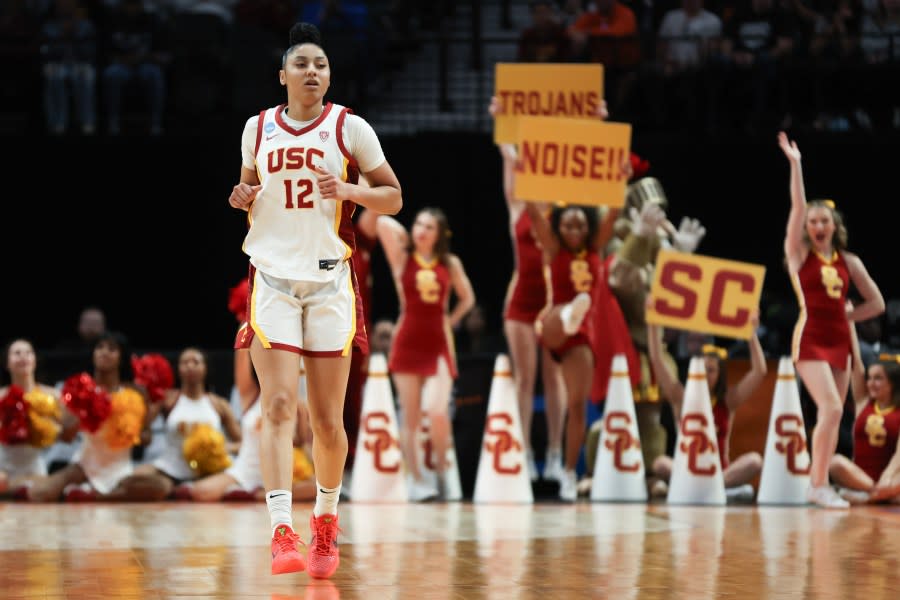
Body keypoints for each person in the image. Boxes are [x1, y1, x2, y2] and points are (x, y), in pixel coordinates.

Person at [227, 21, 402, 578]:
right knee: (277, 407)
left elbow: (394, 197)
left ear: (329, 76)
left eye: (320, 65)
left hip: (330, 282)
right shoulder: (256, 129)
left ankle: (325, 520)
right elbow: (247, 191)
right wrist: (241, 195)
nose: (312, 72)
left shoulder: (351, 128)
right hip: (273, 278)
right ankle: (282, 529)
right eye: (301, 64)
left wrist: (351, 190)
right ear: (283, 75)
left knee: (328, 421)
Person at [778, 131, 885, 508]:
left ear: (833, 225)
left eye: (823, 220)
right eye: (812, 221)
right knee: (833, 408)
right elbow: (795, 208)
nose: (816, 225)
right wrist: (796, 165)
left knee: (832, 414)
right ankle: (817, 484)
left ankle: (819, 482)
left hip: (841, 338)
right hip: (810, 338)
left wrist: (849, 313)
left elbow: (878, 303)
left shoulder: (848, 262)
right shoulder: (798, 256)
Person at [488, 95, 569, 483]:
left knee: (554, 379)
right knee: (525, 378)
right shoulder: (519, 209)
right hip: (521, 303)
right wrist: (501, 121)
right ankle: (522, 455)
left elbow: (593, 166)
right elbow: (508, 154)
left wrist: (599, 124)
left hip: (556, 305)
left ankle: (554, 456)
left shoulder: (567, 214)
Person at [375, 207, 475, 501]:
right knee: (411, 417)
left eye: (429, 227)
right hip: (407, 341)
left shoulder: (450, 262)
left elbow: (468, 298)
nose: (421, 230)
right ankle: (416, 479)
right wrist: (407, 237)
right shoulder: (403, 257)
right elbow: (382, 222)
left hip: (439, 344)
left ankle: (443, 471)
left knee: (438, 410)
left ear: (440, 235)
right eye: (419, 223)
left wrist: (451, 321)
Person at [19, 331, 160, 503]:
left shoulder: (136, 392)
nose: (104, 352)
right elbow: (67, 436)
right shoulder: (79, 389)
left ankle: (95, 495)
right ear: (93, 354)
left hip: (121, 469)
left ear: (121, 357)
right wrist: (85, 413)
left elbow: (148, 437)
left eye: (112, 349)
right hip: (84, 466)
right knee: (39, 495)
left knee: (159, 488)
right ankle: (84, 489)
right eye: (99, 347)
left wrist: (129, 432)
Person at [526, 201, 603, 502]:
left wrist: (621, 177)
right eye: (568, 224)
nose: (574, 230)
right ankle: (570, 314)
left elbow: (613, 213)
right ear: (558, 226)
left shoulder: (596, 249)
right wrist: (526, 172)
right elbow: (533, 212)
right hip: (555, 325)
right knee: (558, 315)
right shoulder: (554, 249)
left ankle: (570, 473)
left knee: (577, 406)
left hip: (582, 335)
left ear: (589, 227)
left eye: (581, 225)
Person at [647, 316, 768, 503]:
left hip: (720, 472)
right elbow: (656, 359)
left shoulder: (728, 400)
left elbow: (760, 371)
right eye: (702, 368)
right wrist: (653, 323)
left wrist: (751, 333)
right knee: (660, 463)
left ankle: (712, 488)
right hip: (687, 471)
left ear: (719, 374)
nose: (705, 374)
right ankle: (714, 490)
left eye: (711, 370)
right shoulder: (680, 397)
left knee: (755, 461)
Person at [128, 347, 242, 498]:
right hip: (170, 468)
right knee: (132, 477)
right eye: (185, 362)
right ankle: (176, 489)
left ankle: (186, 490)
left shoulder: (218, 404)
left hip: (208, 470)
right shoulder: (168, 399)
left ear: (205, 368)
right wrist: (147, 396)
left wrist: (222, 447)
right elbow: (144, 428)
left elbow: (241, 443)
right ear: (178, 369)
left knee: (234, 485)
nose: (190, 366)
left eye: (196, 362)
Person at [829, 324, 900, 504]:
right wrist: (850, 323)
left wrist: (887, 479)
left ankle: (868, 498)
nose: (870, 383)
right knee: (835, 462)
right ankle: (878, 495)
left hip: (891, 477)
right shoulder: (863, 402)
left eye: (878, 378)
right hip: (860, 478)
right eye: (869, 378)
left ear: (892, 383)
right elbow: (855, 361)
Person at [0, 339, 65, 494]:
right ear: (7, 363)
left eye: (28, 353)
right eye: (17, 353)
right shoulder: (0, 395)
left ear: (35, 360)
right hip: (3, 468)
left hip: (36, 468)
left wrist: (45, 428)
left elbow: (67, 434)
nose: (23, 357)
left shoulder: (53, 395)